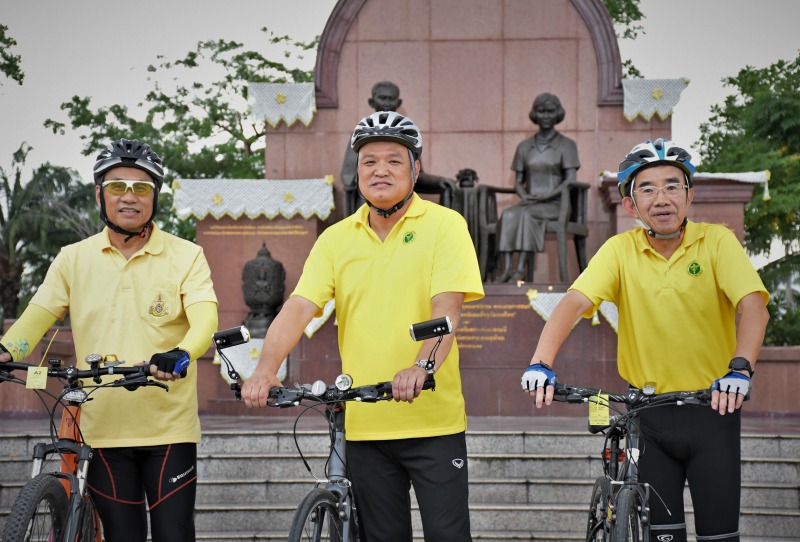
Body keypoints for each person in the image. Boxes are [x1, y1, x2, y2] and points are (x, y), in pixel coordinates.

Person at [243, 111, 484, 541]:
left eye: (394, 160)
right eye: (369, 161)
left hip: (433, 423)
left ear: (416, 169)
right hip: (366, 426)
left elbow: (447, 307)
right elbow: (300, 306)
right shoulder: (336, 239)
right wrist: (265, 367)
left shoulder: (446, 226)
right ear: (357, 172)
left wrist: (421, 366)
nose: (381, 170)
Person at [521, 138, 769, 542]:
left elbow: (754, 305)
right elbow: (573, 303)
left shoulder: (717, 242)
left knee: (719, 536)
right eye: (647, 189)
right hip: (647, 414)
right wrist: (540, 362)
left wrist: (740, 368)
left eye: (673, 186)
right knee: (662, 536)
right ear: (630, 205)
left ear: (690, 195)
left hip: (713, 408)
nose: (662, 198)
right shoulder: (621, 250)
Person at [0, 139, 218, 542]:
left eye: (142, 188)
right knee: (123, 536)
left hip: (168, 430)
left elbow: (205, 319)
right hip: (101, 431)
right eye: (117, 186)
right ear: (99, 194)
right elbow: (38, 315)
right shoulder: (73, 258)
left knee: (174, 535)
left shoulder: (186, 255)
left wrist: (181, 353)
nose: (129, 197)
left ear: (156, 197)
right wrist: (6, 352)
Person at [496, 92, 580, 281]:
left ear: (558, 113)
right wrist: (524, 195)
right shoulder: (524, 147)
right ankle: (507, 269)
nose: (546, 116)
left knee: (527, 214)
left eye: (550, 111)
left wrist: (546, 196)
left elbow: (570, 180)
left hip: (556, 204)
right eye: (541, 111)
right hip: (530, 202)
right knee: (508, 214)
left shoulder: (567, 145)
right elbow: (518, 181)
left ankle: (520, 270)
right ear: (535, 114)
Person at [341, 81, 456, 216]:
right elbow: (348, 175)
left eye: (391, 98)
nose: (387, 103)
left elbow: (417, 175)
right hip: (370, 200)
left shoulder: (408, 134)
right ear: (372, 102)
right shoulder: (361, 134)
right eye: (383, 98)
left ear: (399, 102)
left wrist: (439, 181)